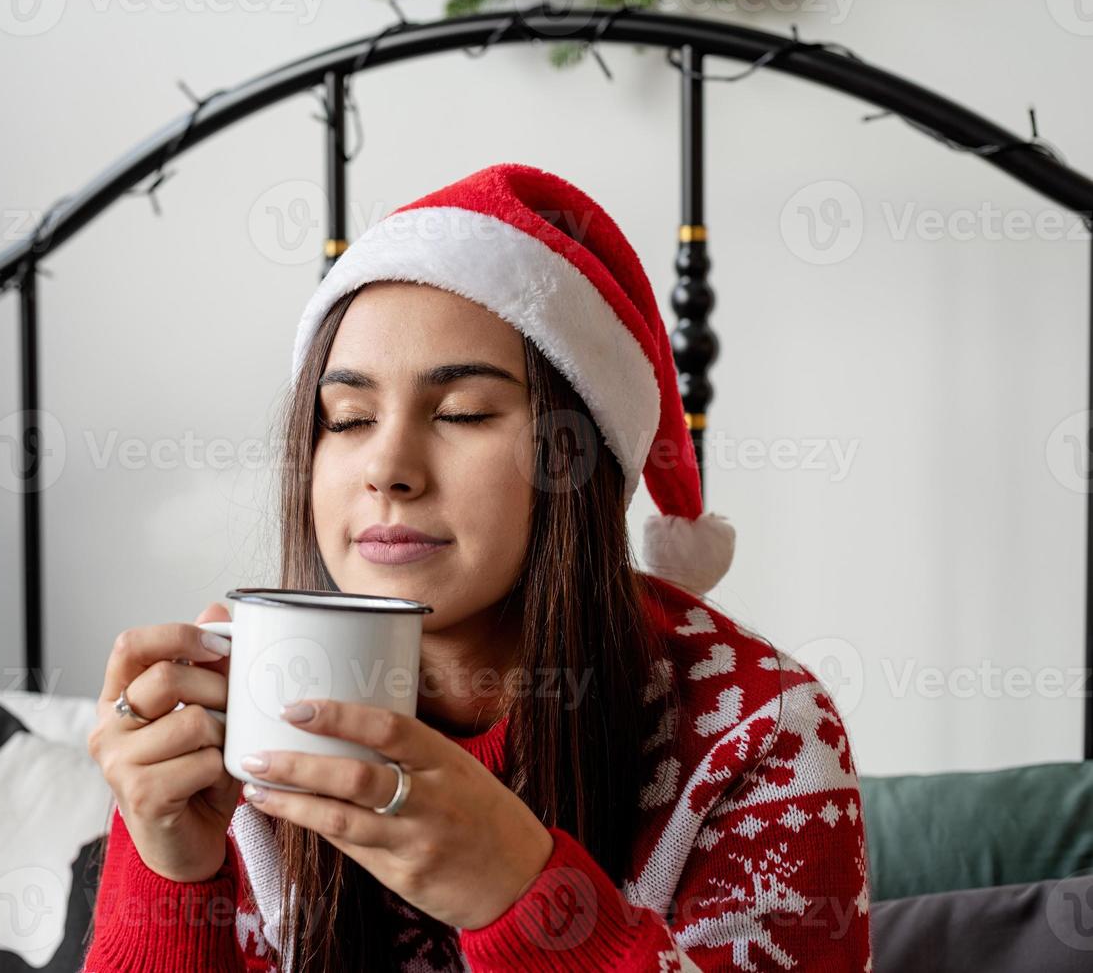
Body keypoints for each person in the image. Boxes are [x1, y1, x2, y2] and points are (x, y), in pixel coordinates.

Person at [81, 163, 872, 972]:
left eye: (461, 413)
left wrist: (523, 897)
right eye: (346, 418)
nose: (386, 469)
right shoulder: (218, 720)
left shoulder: (759, 729)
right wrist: (171, 879)